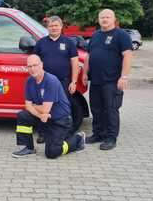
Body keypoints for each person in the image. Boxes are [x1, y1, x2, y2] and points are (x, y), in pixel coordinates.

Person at [12, 55, 86, 159]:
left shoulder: (51, 81)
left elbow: (45, 109)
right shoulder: (29, 81)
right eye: (29, 66)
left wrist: (34, 106)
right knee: (23, 115)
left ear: (41, 65)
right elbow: (28, 106)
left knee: (52, 152)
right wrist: (39, 113)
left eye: (35, 65)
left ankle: (78, 139)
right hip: (45, 119)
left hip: (60, 121)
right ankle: (29, 148)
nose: (32, 69)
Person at [82, 9, 133, 151]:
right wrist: (85, 73)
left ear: (114, 19)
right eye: (102, 17)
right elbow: (89, 56)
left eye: (107, 17)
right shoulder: (96, 35)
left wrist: (124, 76)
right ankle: (98, 134)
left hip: (112, 81)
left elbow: (128, 56)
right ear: (98, 19)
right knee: (96, 109)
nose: (104, 20)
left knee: (111, 110)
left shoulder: (121, 35)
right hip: (96, 80)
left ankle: (111, 138)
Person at [33, 15, 79, 142]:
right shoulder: (40, 43)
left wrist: (74, 81)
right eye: (51, 26)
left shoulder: (69, 42)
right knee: (44, 107)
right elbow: (35, 62)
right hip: (44, 83)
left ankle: (65, 133)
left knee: (63, 108)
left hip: (63, 82)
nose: (53, 28)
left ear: (61, 26)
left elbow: (75, 63)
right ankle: (43, 133)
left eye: (56, 25)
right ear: (47, 27)